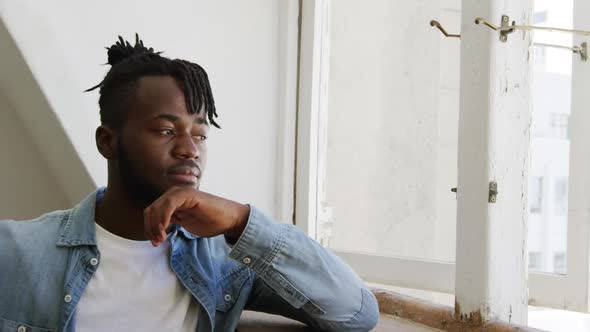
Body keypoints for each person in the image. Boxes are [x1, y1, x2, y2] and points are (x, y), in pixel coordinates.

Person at [0, 34, 379, 332]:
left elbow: (356, 312)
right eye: (166, 130)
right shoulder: (19, 252)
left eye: (200, 135)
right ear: (108, 142)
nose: (189, 150)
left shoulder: (223, 263)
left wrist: (240, 221)